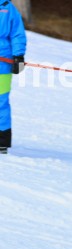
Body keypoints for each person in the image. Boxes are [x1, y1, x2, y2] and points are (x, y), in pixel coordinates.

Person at [0, 0, 26, 154]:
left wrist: (18, 56)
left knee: (0, 102)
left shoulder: (8, 8)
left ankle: (1, 141)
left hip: (3, 64)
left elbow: (17, 34)